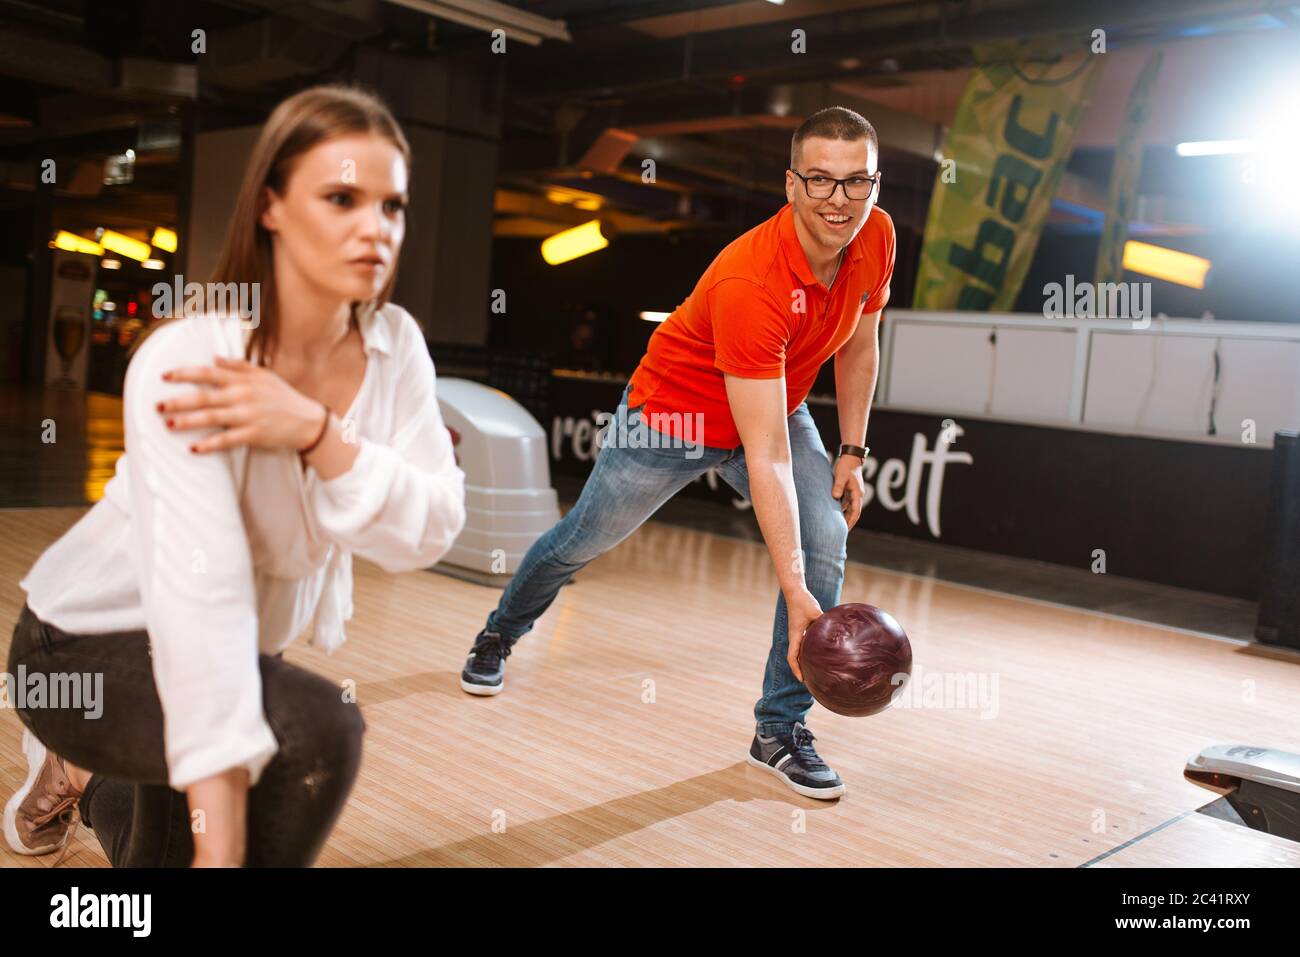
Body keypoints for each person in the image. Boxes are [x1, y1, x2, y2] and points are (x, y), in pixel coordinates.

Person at [3, 85, 466, 866]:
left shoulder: (395, 345)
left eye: (393, 206)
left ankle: (83, 786)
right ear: (272, 207)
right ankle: (74, 752)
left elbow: (433, 525)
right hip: (82, 650)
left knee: (166, 850)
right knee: (311, 731)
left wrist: (317, 433)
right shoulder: (192, 360)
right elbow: (200, 596)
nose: (375, 228)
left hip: (230, 646)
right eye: (343, 197)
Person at [461, 106, 895, 800]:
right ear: (790, 185)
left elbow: (861, 342)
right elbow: (769, 461)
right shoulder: (751, 281)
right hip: (672, 416)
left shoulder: (877, 236)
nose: (838, 200)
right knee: (582, 540)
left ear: (876, 184)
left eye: (855, 182)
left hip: (773, 407)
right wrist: (796, 597)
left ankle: (777, 729)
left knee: (824, 541)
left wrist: (851, 447)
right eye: (820, 180)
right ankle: (499, 633)